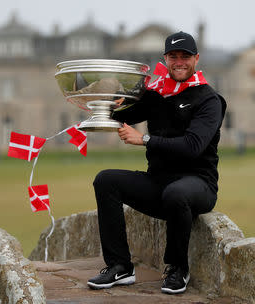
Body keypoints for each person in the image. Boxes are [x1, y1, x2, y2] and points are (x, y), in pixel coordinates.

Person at [87, 31, 227, 294]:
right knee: (105, 180)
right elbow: (120, 116)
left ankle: (177, 268)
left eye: (185, 56)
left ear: (196, 59)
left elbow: (192, 147)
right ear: (166, 58)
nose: (179, 62)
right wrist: (110, 103)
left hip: (198, 186)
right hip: (158, 184)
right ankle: (120, 266)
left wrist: (145, 140)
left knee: (176, 193)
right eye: (173, 56)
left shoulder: (209, 100)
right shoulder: (157, 94)